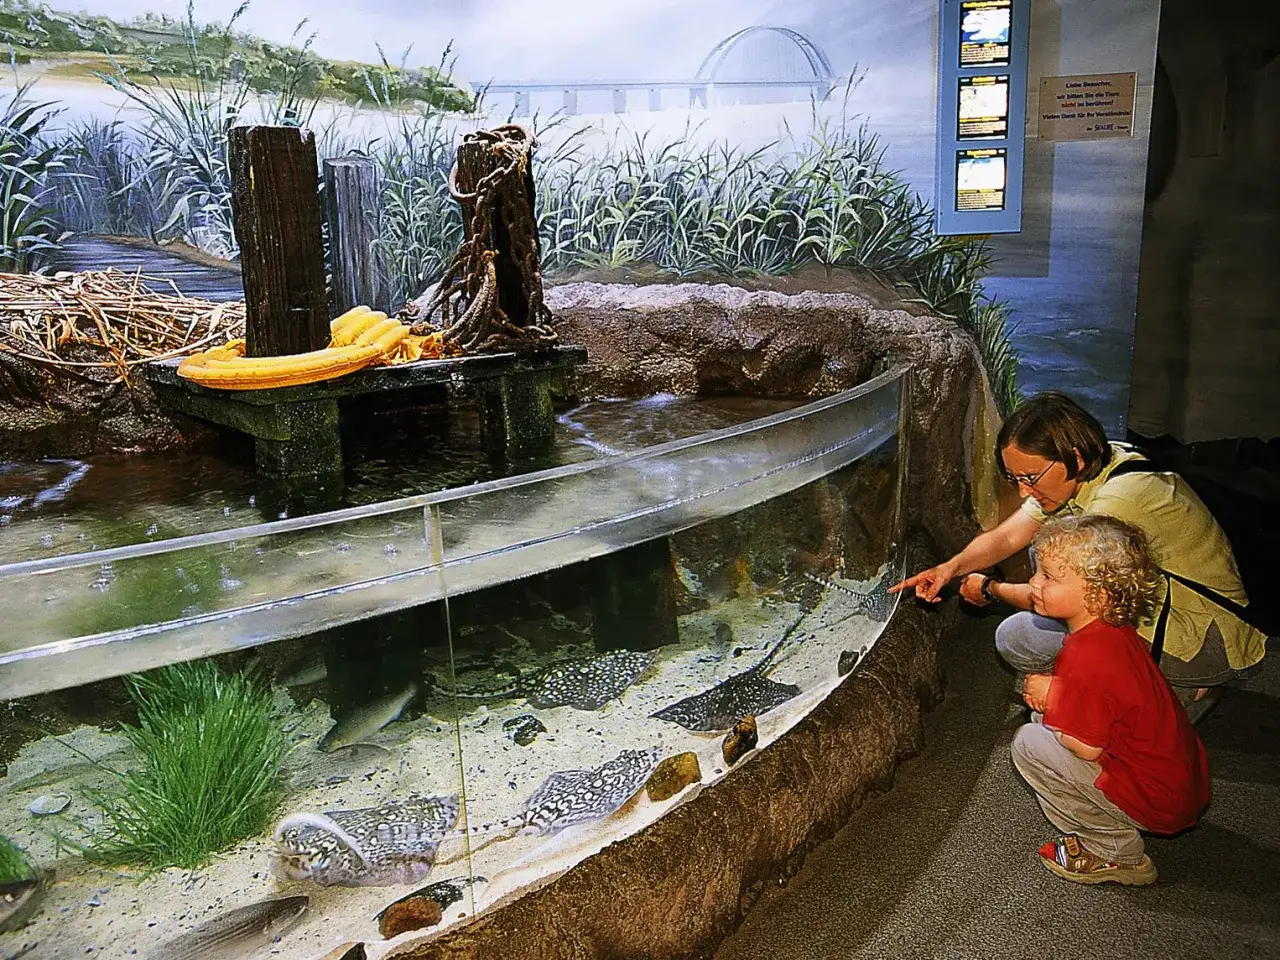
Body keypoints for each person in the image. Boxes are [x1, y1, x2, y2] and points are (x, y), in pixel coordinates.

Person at [890, 392, 1266, 716]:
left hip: (1203, 638)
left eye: (1030, 479)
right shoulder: (1100, 463)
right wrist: (950, 568)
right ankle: (1135, 682)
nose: (1022, 492)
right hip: (1158, 609)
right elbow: (1008, 536)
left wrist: (989, 589)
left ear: (1075, 458)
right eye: (1014, 479)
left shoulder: (1117, 504)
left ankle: (1179, 688)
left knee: (1042, 670)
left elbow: (1068, 600)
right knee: (1020, 634)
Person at [1011, 514, 1209, 885]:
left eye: (1049, 577)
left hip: (1155, 799)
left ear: (1097, 594)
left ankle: (1116, 851)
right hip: (1176, 784)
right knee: (1042, 727)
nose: (1034, 583)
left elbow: (1084, 747)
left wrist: (1054, 697)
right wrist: (1061, 698)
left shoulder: (1087, 657)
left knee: (1029, 744)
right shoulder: (1112, 631)